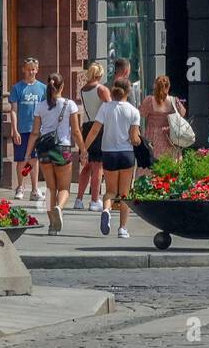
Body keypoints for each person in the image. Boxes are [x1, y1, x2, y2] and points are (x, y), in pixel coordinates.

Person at [26, 74, 84, 236]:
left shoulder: (41, 106)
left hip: (44, 149)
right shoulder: (69, 104)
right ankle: (59, 207)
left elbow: (34, 133)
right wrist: (83, 150)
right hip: (62, 149)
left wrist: (27, 154)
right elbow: (76, 132)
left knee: (51, 188)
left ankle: (52, 225)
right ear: (62, 87)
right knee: (64, 188)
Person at [85, 80, 142, 239]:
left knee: (110, 191)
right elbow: (134, 138)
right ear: (128, 92)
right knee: (124, 193)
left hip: (108, 153)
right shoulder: (133, 111)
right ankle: (122, 229)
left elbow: (95, 129)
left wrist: (84, 148)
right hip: (126, 154)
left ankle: (106, 210)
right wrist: (139, 141)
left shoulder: (105, 107)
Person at [8, 58, 46, 201]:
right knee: (21, 160)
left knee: (34, 160)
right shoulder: (17, 88)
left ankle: (35, 190)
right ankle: (20, 187)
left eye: (33, 69)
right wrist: (14, 129)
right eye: (28, 69)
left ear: (37, 70)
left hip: (36, 130)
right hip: (22, 129)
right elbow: (13, 110)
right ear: (23, 69)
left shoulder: (43, 88)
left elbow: (45, 109)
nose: (31, 72)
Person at [74, 63, 111, 211]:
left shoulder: (83, 90)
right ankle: (95, 200)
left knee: (87, 165)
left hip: (87, 126)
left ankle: (79, 199)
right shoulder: (102, 89)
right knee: (98, 165)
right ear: (100, 75)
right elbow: (110, 108)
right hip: (99, 127)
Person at [140, 75, 187, 163]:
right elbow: (183, 113)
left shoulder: (149, 100)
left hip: (153, 138)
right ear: (169, 86)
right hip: (169, 136)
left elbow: (142, 113)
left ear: (155, 86)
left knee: (152, 166)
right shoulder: (174, 101)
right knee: (169, 166)